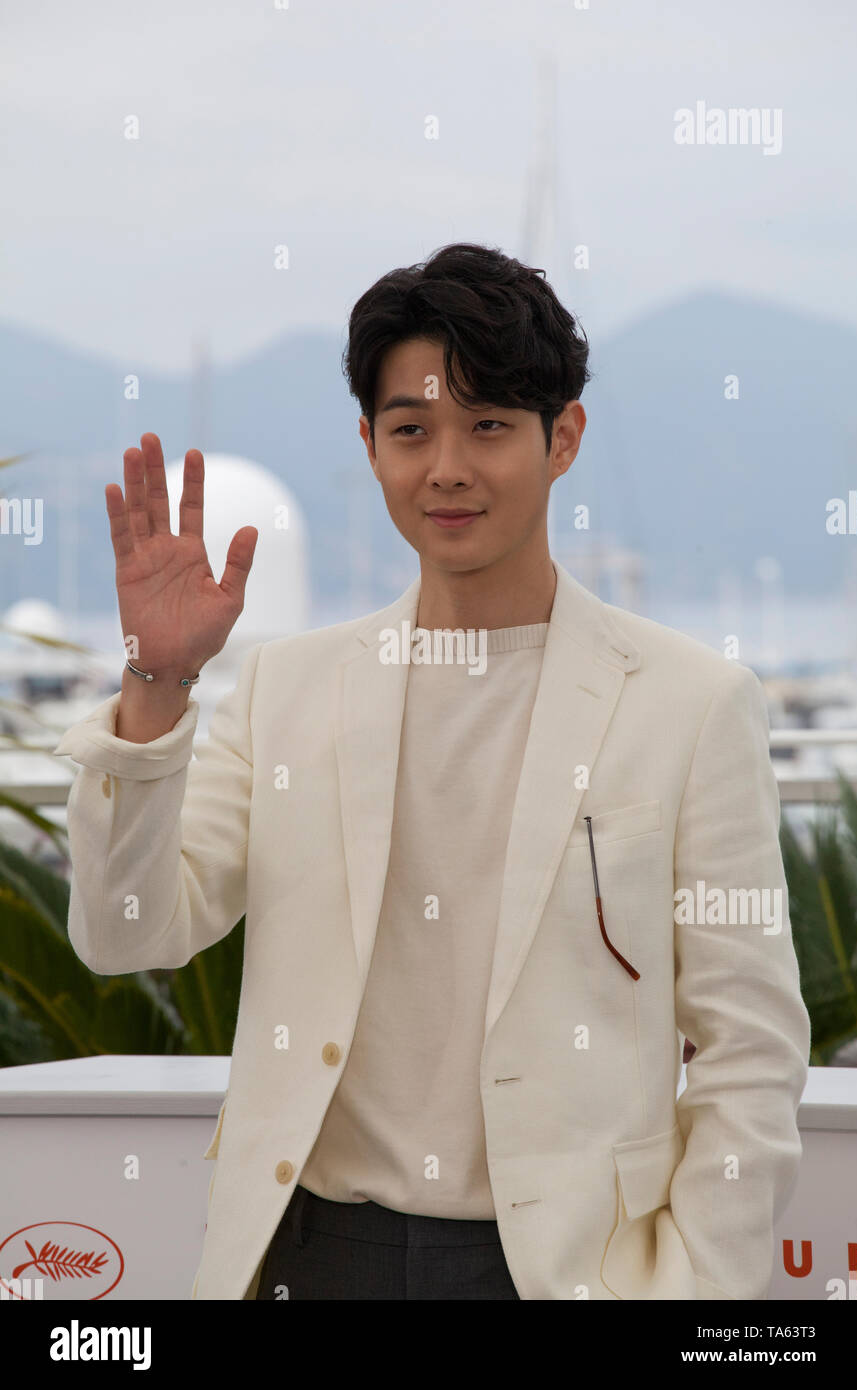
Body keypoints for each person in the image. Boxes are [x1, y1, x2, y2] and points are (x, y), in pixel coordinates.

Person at [53, 242, 811, 1301]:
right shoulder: (288, 689)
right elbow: (128, 930)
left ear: (564, 439)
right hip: (310, 1254)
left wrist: (689, 1291)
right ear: (369, 445)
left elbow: (749, 1046)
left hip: (561, 1267)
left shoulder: (688, 703)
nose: (445, 466)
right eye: (410, 429)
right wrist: (156, 685)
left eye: (488, 425)